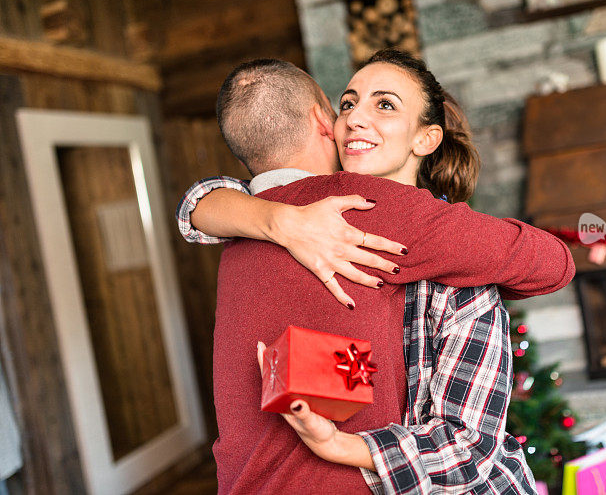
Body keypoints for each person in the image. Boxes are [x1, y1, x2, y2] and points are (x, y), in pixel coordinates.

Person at [179, 51, 574, 493]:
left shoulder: (241, 228)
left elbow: (467, 448)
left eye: (384, 104)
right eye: (347, 104)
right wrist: (282, 221)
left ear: (426, 139)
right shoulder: (265, 213)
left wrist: (342, 446)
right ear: (324, 122)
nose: (353, 119)